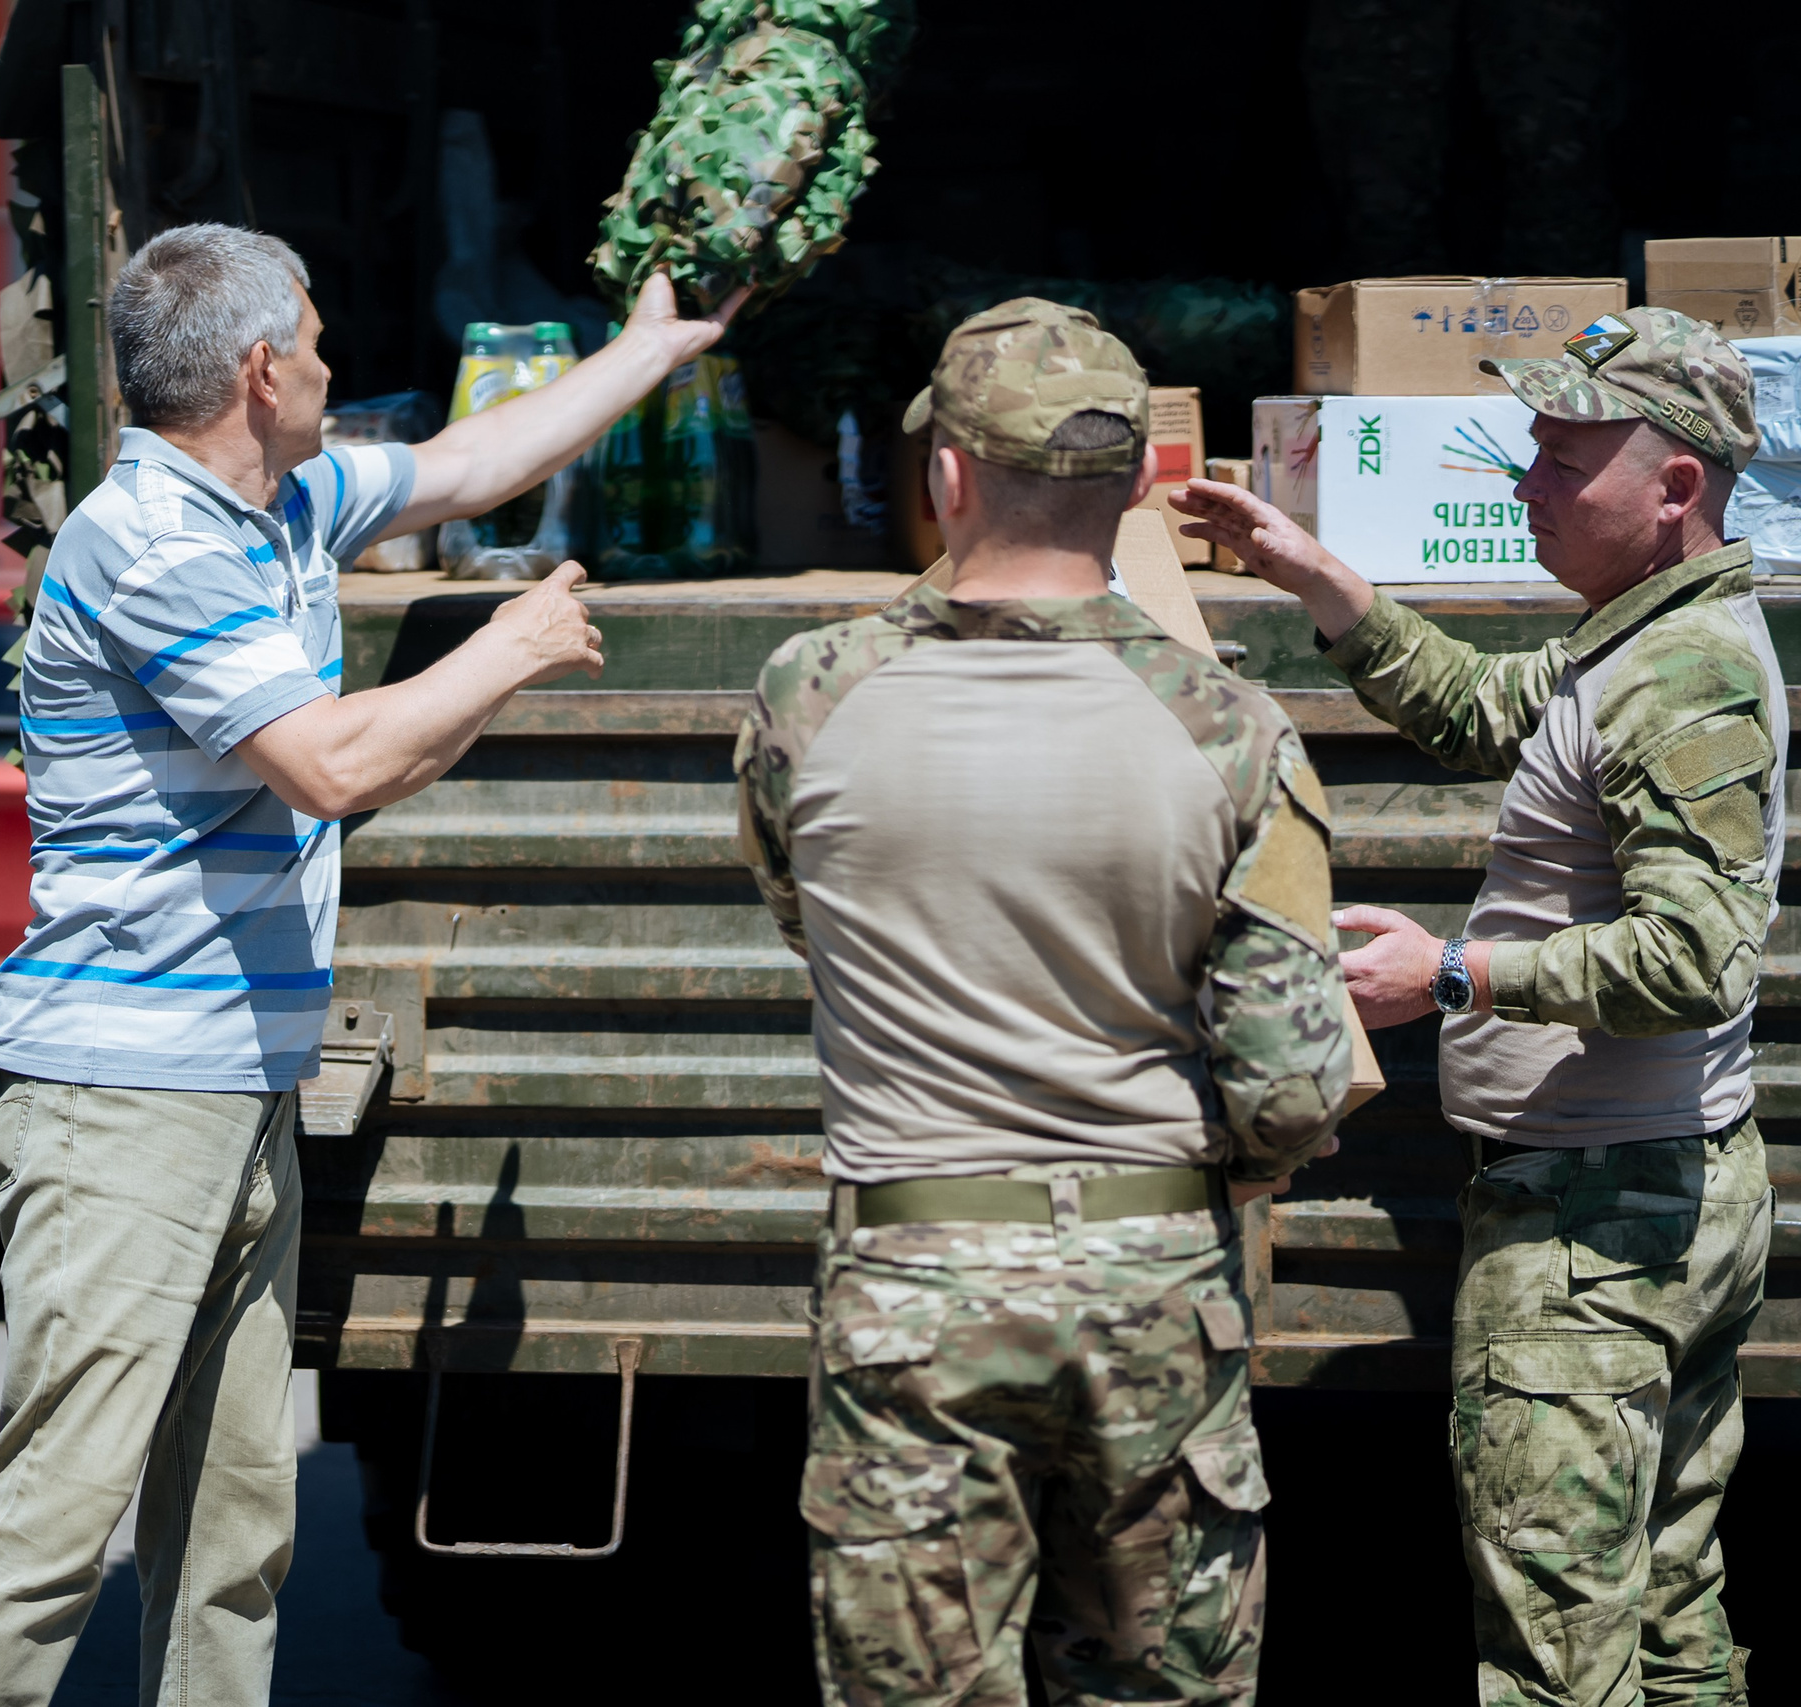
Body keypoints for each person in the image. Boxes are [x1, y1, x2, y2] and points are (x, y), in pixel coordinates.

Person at [0, 226, 741, 1706]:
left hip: (235, 1092)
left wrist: (645, 355)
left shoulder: (281, 511)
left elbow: (473, 469)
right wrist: (514, 645)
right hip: (120, 1103)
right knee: (47, 1528)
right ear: (265, 367)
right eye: (324, 346)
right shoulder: (150, 542)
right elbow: (329, 766)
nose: (340, 374)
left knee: (230, 1536)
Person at [736, 299, 1353, 1706]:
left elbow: (799, 916)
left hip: (914, 1286)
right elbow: (1295, 1087)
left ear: (944, 477)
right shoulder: (1232, 728)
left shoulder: (809, 697)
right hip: (1157, 1286)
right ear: (1143, 484)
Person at [1173, 307, 1777, 1706]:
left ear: (1675, 487)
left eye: (1566, 460)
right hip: (1650, 1196)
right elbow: (1480, 707)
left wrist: (1452, 976)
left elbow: (1697, 961)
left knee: (1557, 1651)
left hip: (1593, 1226)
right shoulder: (1642, 637)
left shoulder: (1680, 674)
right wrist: (1318, 574)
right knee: (1670, 1619)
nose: (1527, 484)